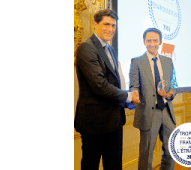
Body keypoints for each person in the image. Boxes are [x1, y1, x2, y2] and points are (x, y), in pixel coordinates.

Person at [74, 9, 140, 170]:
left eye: (113, 26)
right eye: (106, 24)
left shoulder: (110, 49)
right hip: (94, 122)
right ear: (95, 24)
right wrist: (129, 96)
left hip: (114, 120)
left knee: (114, 164)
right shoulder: (86, 48)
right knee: (91, 165)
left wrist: (126, 99)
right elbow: (99, 86)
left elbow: (114, 82)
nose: (110, 29)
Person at [129, 28, 177, 170]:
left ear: (160, 42)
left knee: (171, 150)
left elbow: (173, 84)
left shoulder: (168, 61)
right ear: (144, 42)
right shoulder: (136, 61)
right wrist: (133, 94)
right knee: (146, 154)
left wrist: (170, 94)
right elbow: (133, 85)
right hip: (148, 113)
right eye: (148, 40)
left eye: (155, 40)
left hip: (167, 111)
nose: (152, 44)